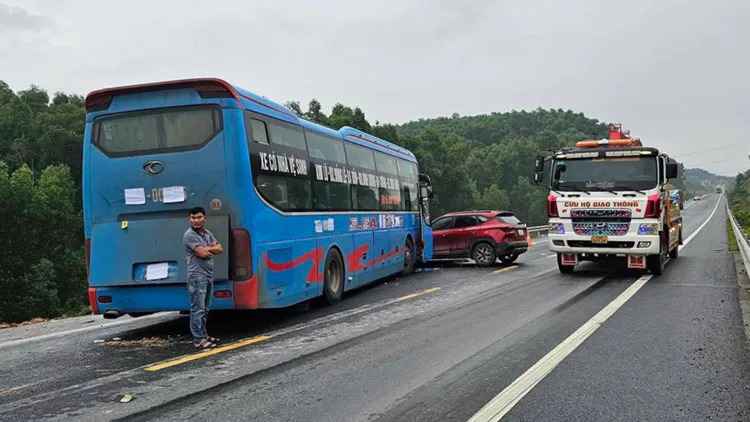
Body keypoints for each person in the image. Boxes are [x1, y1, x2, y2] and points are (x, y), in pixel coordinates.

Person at [183, 207, 223, 349]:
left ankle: (204, 334)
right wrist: (209, 249)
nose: (196, 220)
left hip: (207, 275)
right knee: (197, 309)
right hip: (196, 276)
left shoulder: (207, 233)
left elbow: (220, 248)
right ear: (190, 219)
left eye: (199, 217)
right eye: (193, 218)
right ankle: (198, 339)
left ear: (205, 219)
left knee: (205, 308)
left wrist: (208, 249)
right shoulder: (189, 235)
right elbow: (203, 254)